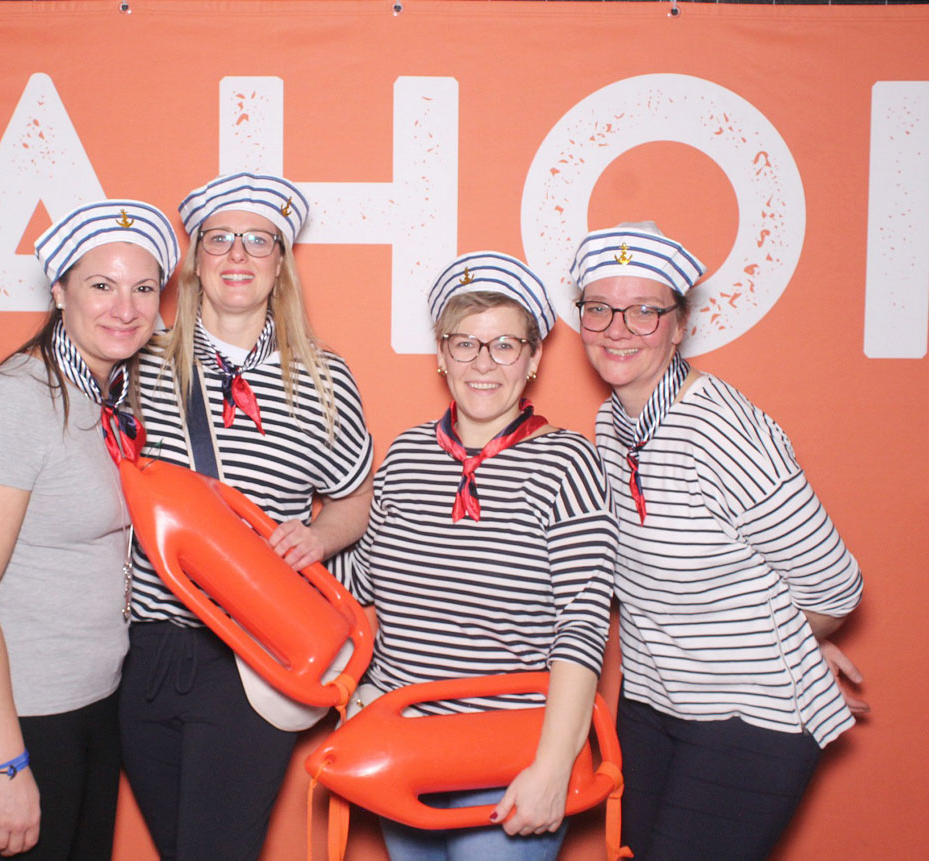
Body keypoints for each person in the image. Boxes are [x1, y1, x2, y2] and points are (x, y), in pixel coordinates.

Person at [570, 223, 865, 860]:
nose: (618, 329)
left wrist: (783, 639)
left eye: (644, 310)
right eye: (599, 308)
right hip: (651, 702)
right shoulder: (612, 421)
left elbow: (838, 588)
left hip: (748, 716)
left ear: (679, 325)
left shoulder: (720, 428)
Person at [120, 171, 374, 859]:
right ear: (195, 260)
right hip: (144, 649)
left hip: (252, 653)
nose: (238, 255)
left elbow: (355, 497)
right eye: (219, 238)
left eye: (258, 240)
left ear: (280, 262)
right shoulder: (136, 364)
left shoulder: (323, 376)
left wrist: (317, 536)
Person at [0, 199, 179, 859]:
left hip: (90, 698)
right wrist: (5, 764)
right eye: (102, 285)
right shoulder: (17, 400)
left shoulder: (114, 395)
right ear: (60, 290)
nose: (125, 307)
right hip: (16, 710)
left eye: (143, 288)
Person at [344, 252, 618, 861]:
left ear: (534, 358)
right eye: (465, 343)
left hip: (509, 757)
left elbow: (582, 623)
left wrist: (553, 768)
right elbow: (363, 589)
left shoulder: (567, 463)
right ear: (441, 355)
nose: (483, 363)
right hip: (404, 750)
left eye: (504, 345)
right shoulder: (406, 456)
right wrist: (355, 694)